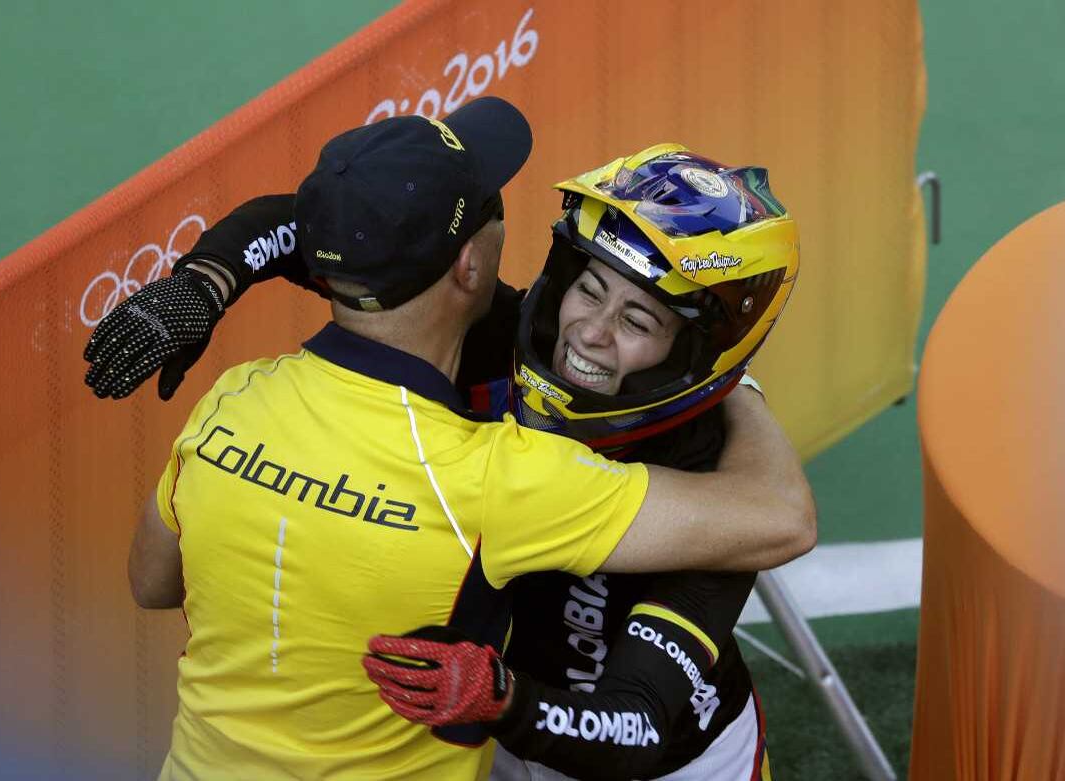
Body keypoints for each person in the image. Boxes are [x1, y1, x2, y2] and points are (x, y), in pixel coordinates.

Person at [100, 98, 814, 781]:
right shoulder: (495, 332)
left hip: (650, 757)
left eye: (638, 321)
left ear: (692, 352)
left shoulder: (719, 482)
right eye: (590, 288)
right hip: (493, 741)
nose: (589, 333)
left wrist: (504, 697)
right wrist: (207, 280)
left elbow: (637, 724)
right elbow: (338, 231)